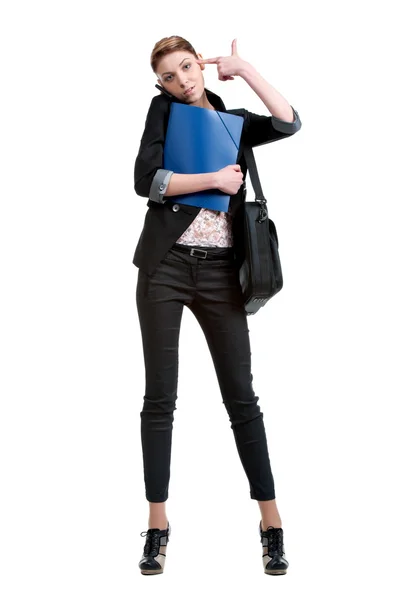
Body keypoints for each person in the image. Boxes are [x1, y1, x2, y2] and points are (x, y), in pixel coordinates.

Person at [133, 35, 301, 576]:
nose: (183, 81)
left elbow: (289, 121)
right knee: (160, 397)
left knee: (242, 398)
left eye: (187, 68)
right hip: (166, 266)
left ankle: (270, 522)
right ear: (160, 85)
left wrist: (246, 68)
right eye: (170, 76)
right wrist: (211, 180)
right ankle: (157, 525)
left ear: (200, 64)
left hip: (221, 274)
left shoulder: (230, 121)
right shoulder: (163, 113)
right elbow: (145, 180)